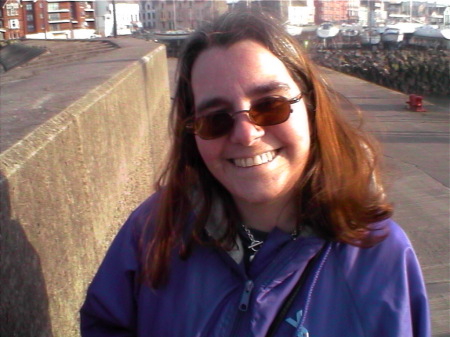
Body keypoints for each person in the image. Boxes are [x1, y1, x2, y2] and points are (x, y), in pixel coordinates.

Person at [80, 11, 431, 337]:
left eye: (270, 105)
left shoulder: (379, 254)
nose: (246, 135)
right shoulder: (153, 229)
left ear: (310, 106)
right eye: (215, 119)